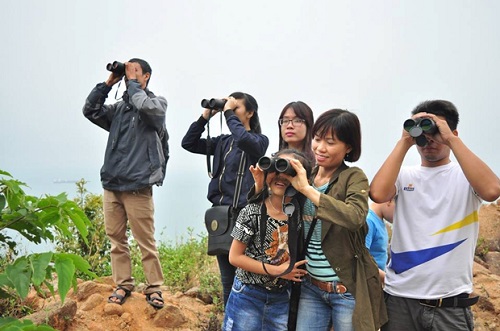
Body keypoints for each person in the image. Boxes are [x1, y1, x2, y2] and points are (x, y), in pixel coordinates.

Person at [369, 100, 500, 331]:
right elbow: (378, 194)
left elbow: (491, 191)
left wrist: (449, 138)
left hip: (449, 304)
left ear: (453, 132)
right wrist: (404, 142)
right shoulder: (404, 175)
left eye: (435, 131)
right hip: (400, 300)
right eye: (423, 133)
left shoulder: (466, 176)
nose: (428, 140)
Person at [286, 109, 387, 331]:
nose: (320, 148)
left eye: (330, 142)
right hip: (311, 287)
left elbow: (355, 217)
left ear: (348, 147)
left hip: (346, 290)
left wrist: (307, 190)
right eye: (317, 139)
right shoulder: (308, 174)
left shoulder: (353, 177)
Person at [83, 58, 168, 309]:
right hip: (112, 184)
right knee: (116, 239)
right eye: (128, 72)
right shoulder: (119, 110)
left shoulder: (156, 104)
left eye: (135, 71)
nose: (129, 75)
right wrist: (110, 82)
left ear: (147, 76)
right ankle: (123, 284)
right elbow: (91, 111)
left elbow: (148, 110)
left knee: (146, 242)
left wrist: (132, 85)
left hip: (138, 185)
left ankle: (154, 288)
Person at [181, 92, 269, 307]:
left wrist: (227, 112)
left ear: (250, 113)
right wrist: (205, 117)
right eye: (228, 107)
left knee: (247, 278)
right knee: (228, 281)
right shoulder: (223, 142)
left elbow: (243, 139)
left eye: (236, 107)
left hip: (245, 216)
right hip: (221, 216)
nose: (229, 110)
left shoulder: (258, 141)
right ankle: (230, 323)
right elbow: (188, 143)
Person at [223, 149, 313, 330]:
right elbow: (235, 257)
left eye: (290, 171)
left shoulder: (300, 212)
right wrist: (279, 271)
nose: (282, 176)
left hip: (281, 298)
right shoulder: (252, 211)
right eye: (277, 168)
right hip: (248, 294)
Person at [365, 200, 394, 284]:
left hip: (377, 280)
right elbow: (362, 261)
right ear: (389, 201)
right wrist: (389, 281)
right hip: (369, 283)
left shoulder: (379, 220)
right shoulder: (369, 221)